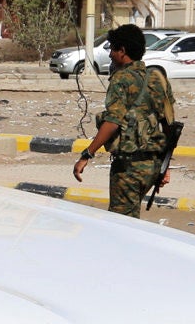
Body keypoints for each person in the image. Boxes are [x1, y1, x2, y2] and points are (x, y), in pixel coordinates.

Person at [73, 23, 176, 218]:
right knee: (131, 222)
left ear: (122, 51)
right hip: (152, 166)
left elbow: (113, 121)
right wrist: (164, 166)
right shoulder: (157, 77)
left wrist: (87, 154)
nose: (110, 54)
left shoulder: (121, 79)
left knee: (122, 226)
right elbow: (169, 124)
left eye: (112, 48)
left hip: (129, 168)